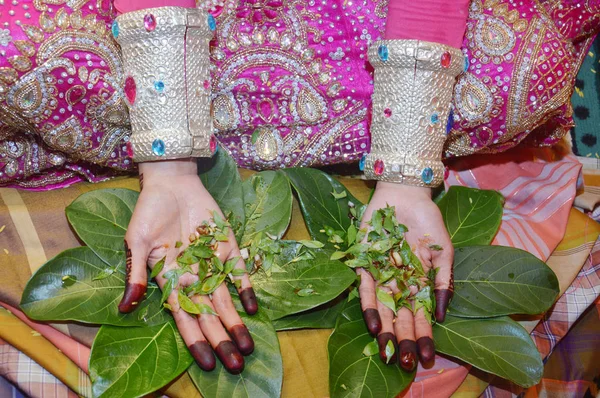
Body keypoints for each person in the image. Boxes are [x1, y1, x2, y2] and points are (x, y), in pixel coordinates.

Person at [1, 0, 597, 377]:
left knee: (529, 66)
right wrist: (171, 163)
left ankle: (216, 127)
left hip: (349, 29)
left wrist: (406, 175)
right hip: (162, 23)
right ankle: (213, 127)